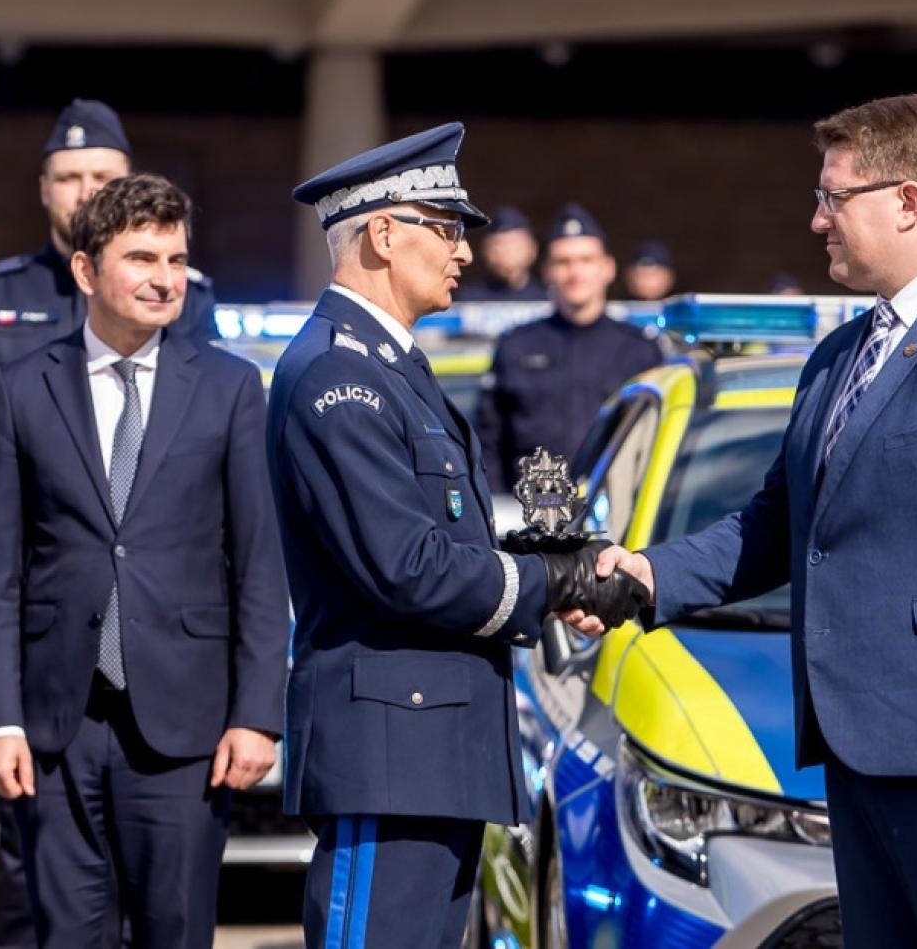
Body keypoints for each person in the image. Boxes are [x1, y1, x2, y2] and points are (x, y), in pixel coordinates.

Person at [593, 95, 917, 946]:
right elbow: (781, 525)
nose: (815, 218)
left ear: (909, 201)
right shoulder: (840, 354)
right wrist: (649, 575)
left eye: (835, 197)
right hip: (864, 754)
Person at [270, 123, 639, 947]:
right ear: (381, 232)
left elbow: (455, 545)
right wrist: (562, 584)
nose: (464, 251)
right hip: (390, 755)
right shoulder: (340, 374)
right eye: (446, 227)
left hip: (430, 748)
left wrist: (555, 562)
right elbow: (410, 567)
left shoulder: (391, 365)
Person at [0, 173, 289, 948]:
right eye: (143, 257)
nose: (165, 278)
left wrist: (257, 714)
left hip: (187, 726)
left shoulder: (231, 387)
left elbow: (258, 562)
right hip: (53, 725)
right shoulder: (21, 389)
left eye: (177, 261)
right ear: (86, 271)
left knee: (174, 932)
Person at [0, 98, 218, 557]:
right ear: (43, 189)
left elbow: (209, 439)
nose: (86, 191)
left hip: (156, 562)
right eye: (68, 178)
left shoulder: (185, 296)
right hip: (21, 562)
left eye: (102, 177)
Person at [477, 202, 662, 492]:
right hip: (531, 517)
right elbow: (489, 444)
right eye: (563, 262)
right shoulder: (515, 346)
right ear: (547, 271)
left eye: (586, 260)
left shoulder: (640, 350)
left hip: (620, 516)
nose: (575, 272)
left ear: (608, 268)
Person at [454, 205, 547, 301]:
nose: (506, 251)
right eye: (497, 244)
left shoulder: (550, 298)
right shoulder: (468, 299)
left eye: (513, 243)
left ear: (532, 249)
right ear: (486, 251)